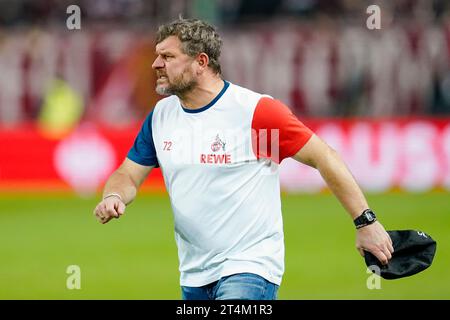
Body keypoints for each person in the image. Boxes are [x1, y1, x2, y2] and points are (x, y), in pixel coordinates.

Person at [93, 18, 394, 300]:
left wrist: (366, 223)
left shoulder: (255, 112)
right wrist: (115, 195)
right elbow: (129, 174)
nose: (156, 64)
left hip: (250, 267)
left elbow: (324, 157)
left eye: (168, 57)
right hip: (194, 274)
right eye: (158, 56)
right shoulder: (161, 116)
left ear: (201, 62)